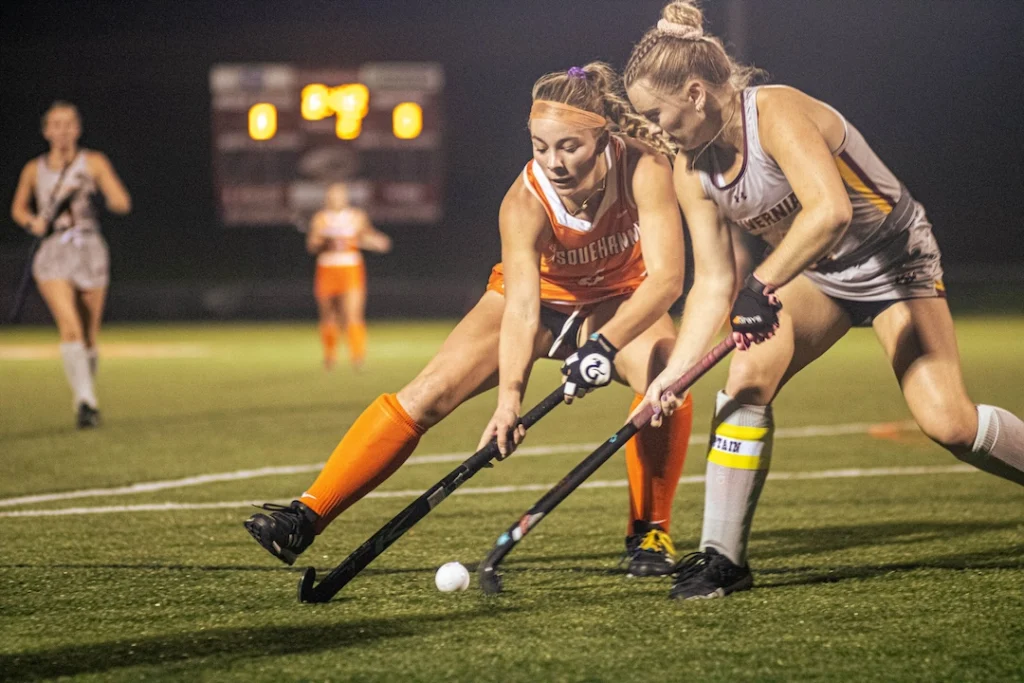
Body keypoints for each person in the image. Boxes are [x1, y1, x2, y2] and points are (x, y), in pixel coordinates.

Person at [623, 1, 1024, 601]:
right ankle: (723, 558)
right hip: (817, 273)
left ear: (697, 92)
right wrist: (673, 377)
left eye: (657, 114)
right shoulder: (691, 169)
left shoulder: (775, 112)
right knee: (746, 381)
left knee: (950, 425)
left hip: (893, 262)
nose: (656, 130)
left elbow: (831, 211)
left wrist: (761, 286)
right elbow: (711, 281)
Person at [245, 63, 693, 577]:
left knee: (668, 377)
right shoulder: (524, 201)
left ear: (603, 135)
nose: (553, 162)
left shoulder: (646, 167)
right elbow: (524, 308)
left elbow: (667, 281)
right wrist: (509, 401)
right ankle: (306, 516)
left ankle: (650, 533)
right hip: (539, 301)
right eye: (540, 146)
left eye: (569, 146)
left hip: (619, 297)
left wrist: (605, 345)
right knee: (426, 395)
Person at [9, 101, 131, 428]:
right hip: (54, 251)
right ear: (46, 131)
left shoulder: (93, 163)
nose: (62, 131)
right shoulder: (34, 169)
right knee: (70, 326)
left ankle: (86, 396)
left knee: (90, 336)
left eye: (68, 124)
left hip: (89, 248)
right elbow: (18, 209)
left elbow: (121, 201)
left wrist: (98, 193)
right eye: (56, 125)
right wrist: (32, 222)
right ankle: (86, 403)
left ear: (77, 129)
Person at [307, 183, 392, 370]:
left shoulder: (356, 217)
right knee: (328, 315)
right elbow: (312, 245)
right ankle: (330, 356)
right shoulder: (321, 219)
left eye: (339, 195)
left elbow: (367, 237)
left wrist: (378, 242)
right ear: (327, 198)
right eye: (332, 195)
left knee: (353, 314)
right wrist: (322, 239)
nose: (336, 198)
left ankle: (357, 356)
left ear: (345, 197)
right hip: (327, 267)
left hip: (350, 268)